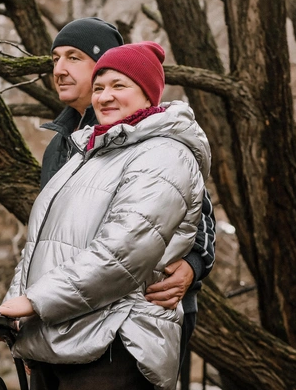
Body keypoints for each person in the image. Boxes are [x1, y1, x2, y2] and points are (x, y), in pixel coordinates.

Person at [0, 42, 211, 390]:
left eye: (119, 86)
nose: (105, 97)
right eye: (99, 88)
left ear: (148, 95)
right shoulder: (87, 153)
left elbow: (122, 254)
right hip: (63, 334)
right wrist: (19, 310)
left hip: (114, 345)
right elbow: (40, 243)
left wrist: (34, 302)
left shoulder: (165, 154)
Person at [40, 18, 215, 368]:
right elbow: (52, 236)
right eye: (55, 58)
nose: (59, 69)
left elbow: (197, 214)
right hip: (62, 314)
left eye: (73, 57)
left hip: (136, 317)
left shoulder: (143, 132)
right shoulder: (61, 144)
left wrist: (194, 266)